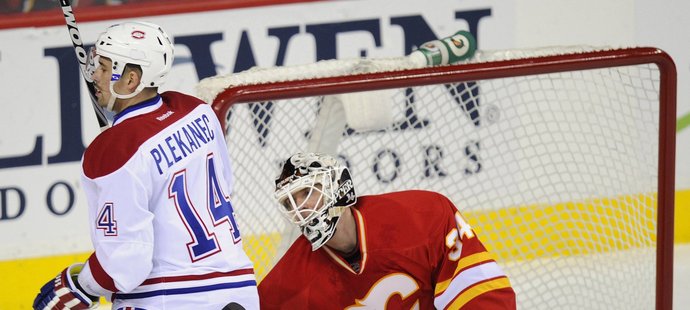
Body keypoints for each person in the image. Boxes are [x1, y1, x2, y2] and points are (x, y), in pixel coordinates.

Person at [32, 21, 259, 309]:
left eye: (104, 67)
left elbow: (126, 261)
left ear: (131, 80)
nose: (95, 76)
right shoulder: (195, 110)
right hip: (240, 290)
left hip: (171, 298)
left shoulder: (115, 149)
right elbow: (224, 186)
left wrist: (81, 284)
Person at [258, 152, 516, 309]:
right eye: (288, 202)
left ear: (339, 186)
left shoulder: (423, 217)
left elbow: (482, 295)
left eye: (307, 192)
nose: (300, 207)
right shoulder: (287, 286)